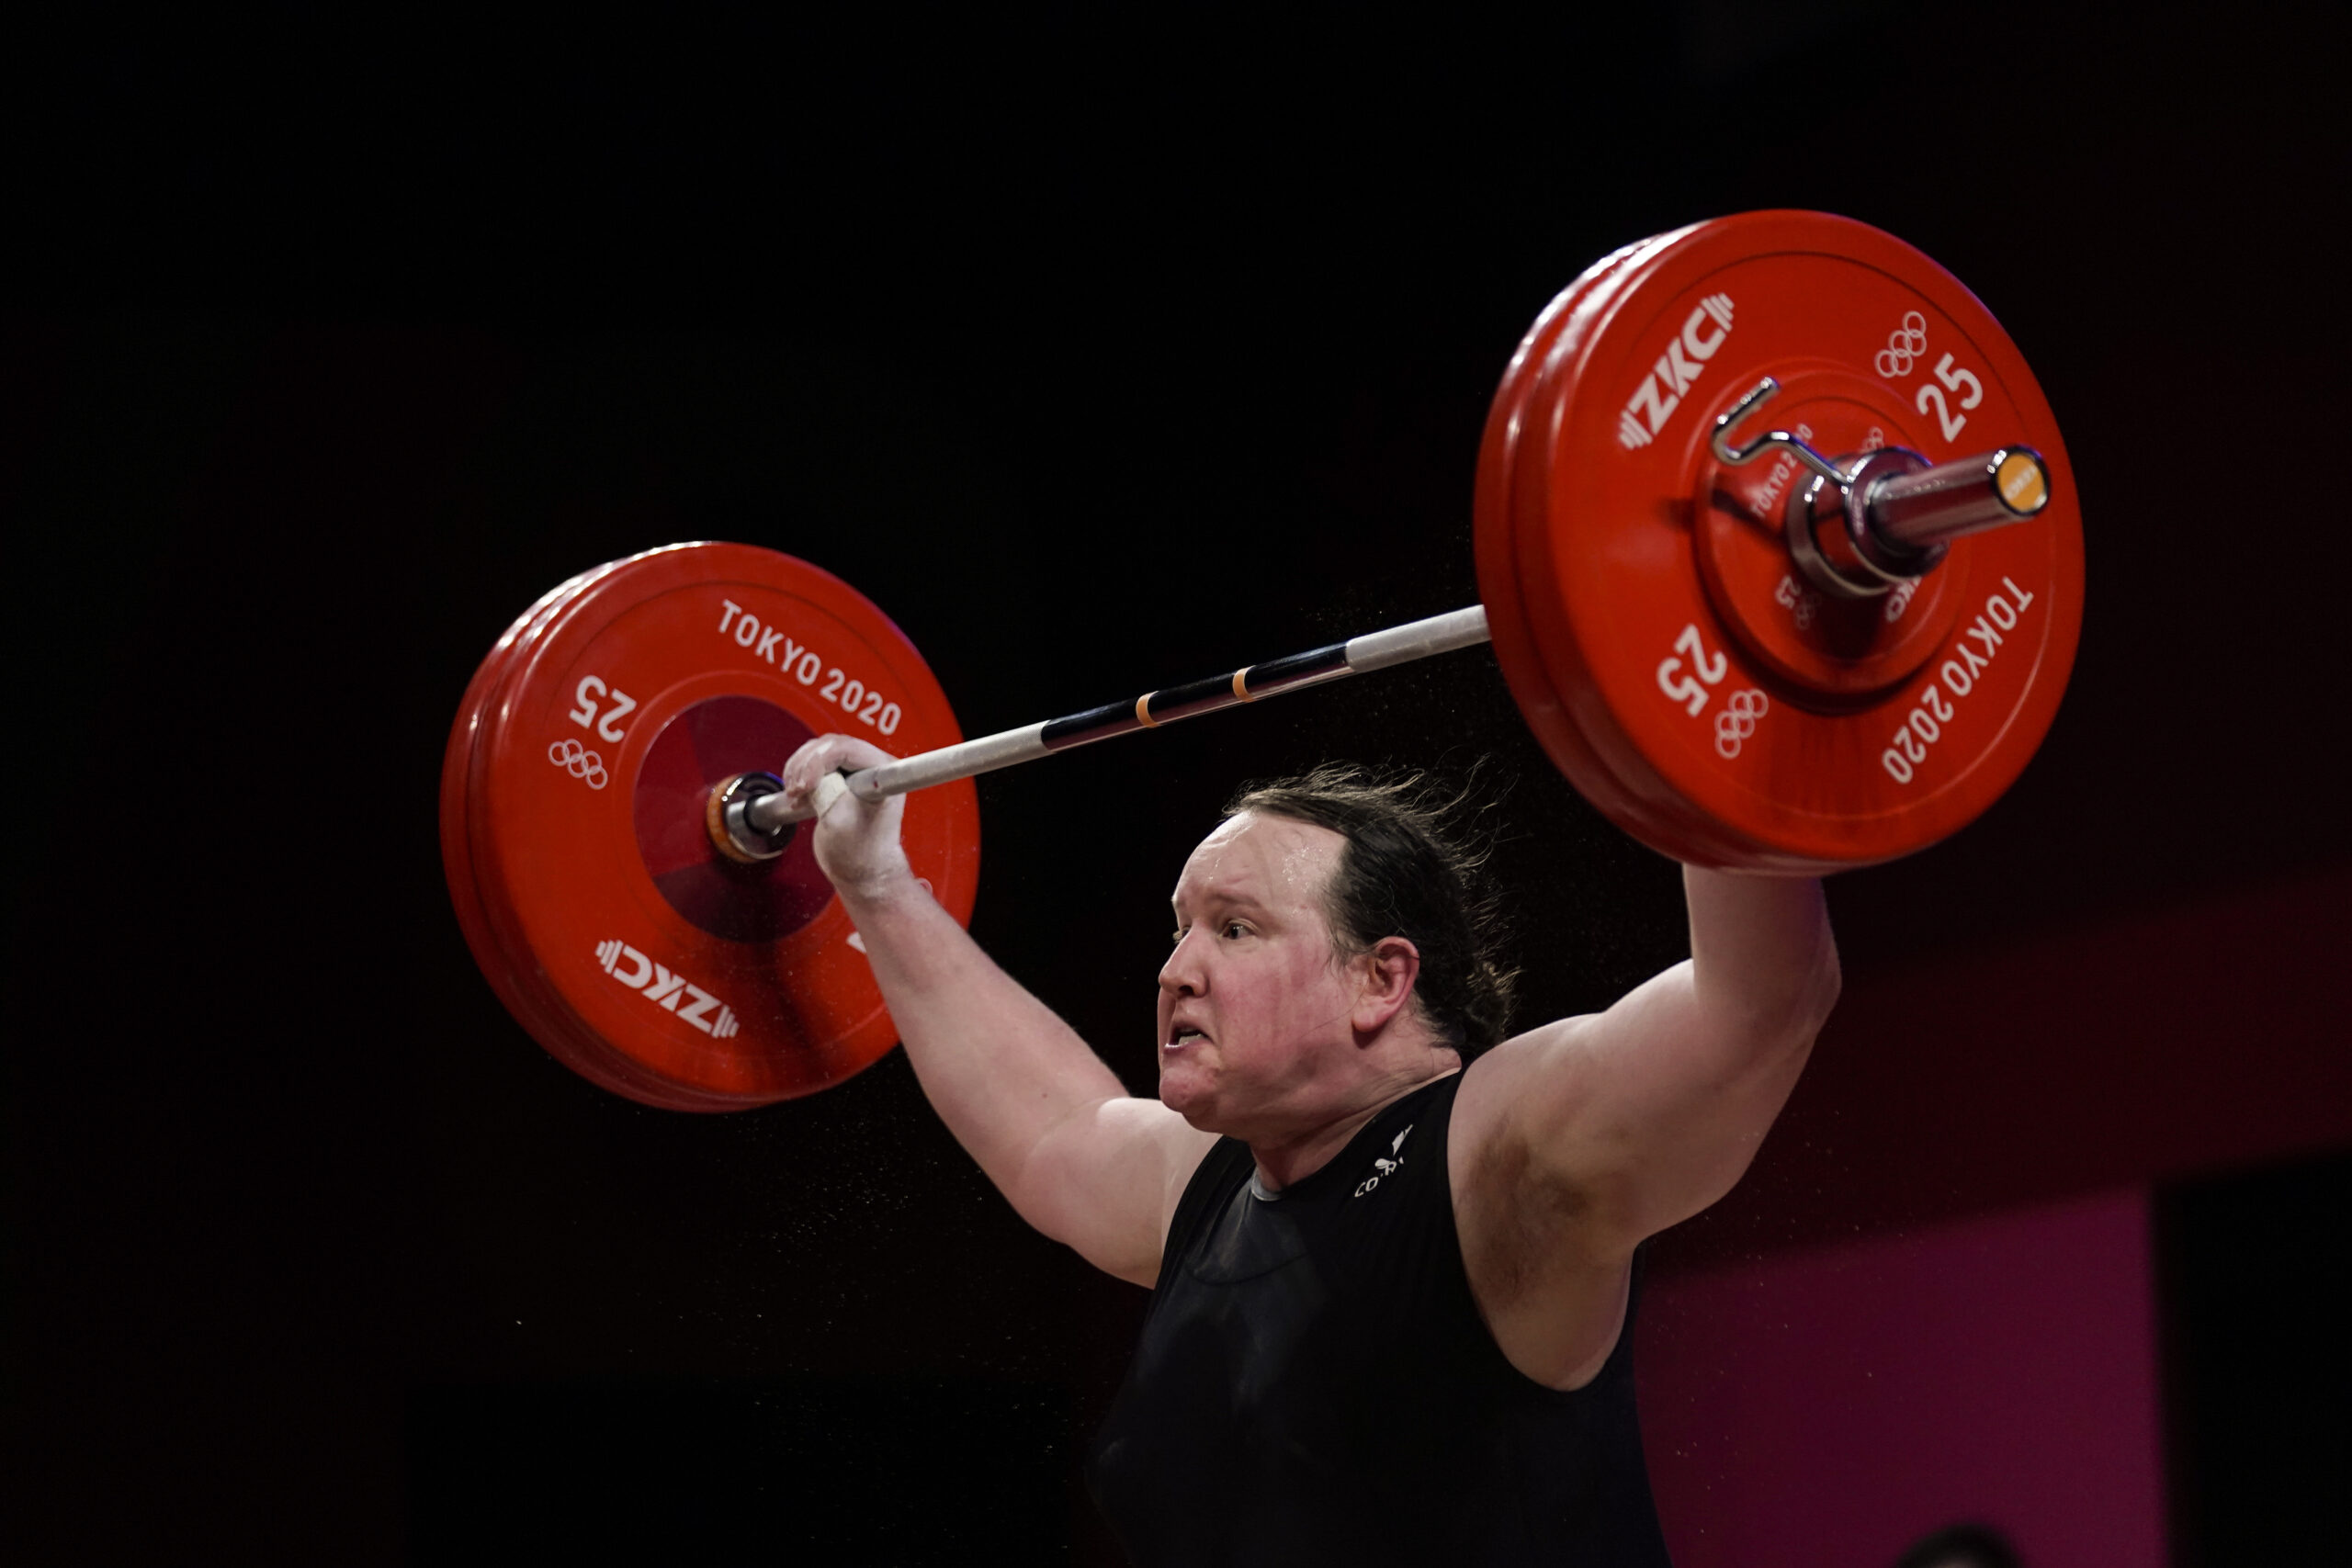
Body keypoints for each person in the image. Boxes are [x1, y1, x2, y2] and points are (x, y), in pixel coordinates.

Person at [776, 739, 1840, 1564]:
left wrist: (1715, 713)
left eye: (1233, 929)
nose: (1176, 970)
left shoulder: (1490, 1155)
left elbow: (1757, 1005)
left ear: (1382, 980)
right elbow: (1052, 1124)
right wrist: (876, 884)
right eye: (1179, 927)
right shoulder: (1210, 1189)